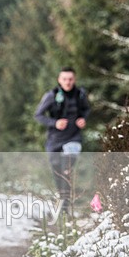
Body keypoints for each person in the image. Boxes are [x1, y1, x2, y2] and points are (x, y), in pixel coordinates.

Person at [33, 67, 90, 215]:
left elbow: (86, 109)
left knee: (67, 169)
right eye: (65, 79)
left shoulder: (80, 94)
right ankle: (62, 198)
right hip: (55, 139)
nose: (68, 82)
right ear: (59, 80)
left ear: (74, 79)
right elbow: (38, 115)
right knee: (57, 169)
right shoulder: (51, 96)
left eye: (70, 79)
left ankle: (65, 206)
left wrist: (83, 119)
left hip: (73, 138)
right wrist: (54, 123)